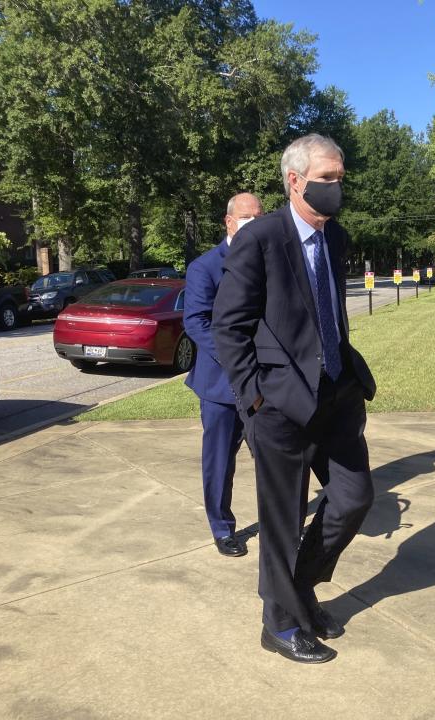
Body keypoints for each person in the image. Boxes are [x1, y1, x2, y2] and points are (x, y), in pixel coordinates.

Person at [212, 134, 377, 664]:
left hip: (335, 395)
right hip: (278, 404)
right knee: (282, 519)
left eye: (339, 178)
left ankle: (300, 589)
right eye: (326, 178)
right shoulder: (260, 239)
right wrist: (252, 398)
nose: (335, 187)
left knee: (354, 498)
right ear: (295, 180)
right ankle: (278, 622)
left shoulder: (336, 238)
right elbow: (228, 326)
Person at [183, 192, 264, 557]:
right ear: (229, 222)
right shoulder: (205, 267)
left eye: (259, 216)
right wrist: (235, 357)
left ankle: (281, 526)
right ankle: (222, 528)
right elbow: (196, 322)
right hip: (220, 385)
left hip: (264, 382)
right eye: (247, 216)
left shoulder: (269, 261)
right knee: (219, 461)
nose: (254, 222)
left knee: (273, 457)